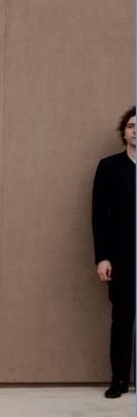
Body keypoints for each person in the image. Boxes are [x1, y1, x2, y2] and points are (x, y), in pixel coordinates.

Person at [93, 105, 135, 398]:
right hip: (121, 257)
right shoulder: (109, 167)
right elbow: (99, 215)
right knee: (121, 320)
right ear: (124, 132)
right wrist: (103, 257)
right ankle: (119, 380)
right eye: (132, 125)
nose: (136, 130)